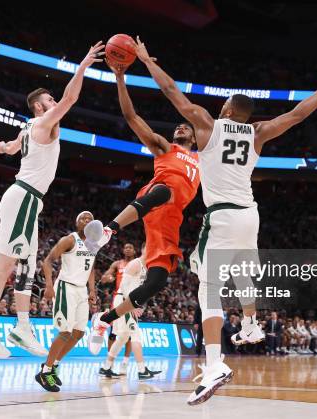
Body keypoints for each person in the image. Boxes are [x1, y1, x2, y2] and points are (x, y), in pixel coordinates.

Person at [124, 37, 317, 404]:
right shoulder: (259, 133)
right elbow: (297, 115)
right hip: (251, 214)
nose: (221, 105)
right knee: (243, 272)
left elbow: (170, 90)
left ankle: (215, 363)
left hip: (223, 215)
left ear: (229, 111)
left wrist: (145, 60)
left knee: (207, 287)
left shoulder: (208, 125)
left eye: (225, 103)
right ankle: (250, 324)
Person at [0, 42, 104, 358]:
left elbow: (15, 147)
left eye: (53, 98)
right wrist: (83, 64)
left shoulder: (29, 126)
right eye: (50, 100)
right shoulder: (44, 123)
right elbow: (71, 97)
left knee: (27, 266)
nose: (55, 101)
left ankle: (22, 326)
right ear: (41, 108)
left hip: (28, 201)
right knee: (6, 263)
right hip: (23, 198)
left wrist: (4, 148)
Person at [86, 60, 200, 356]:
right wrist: (121, 79)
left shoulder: (202, 161)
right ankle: (109, 231)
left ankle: (103, 320)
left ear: (195, 138)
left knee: (156, 283)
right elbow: (130, 115)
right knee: (164, 190)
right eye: (178, 126)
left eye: (185, 127)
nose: (180, 127)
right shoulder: (165, 147)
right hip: (155, 198)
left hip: (170, 222)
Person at [35, 211, 99, 392]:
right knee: (65, 332)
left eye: (90, 219)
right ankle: (44, 372)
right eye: (83, 218)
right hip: (66, 288)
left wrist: (92, 289)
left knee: (78, 334)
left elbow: (92, 268)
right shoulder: (69, 240)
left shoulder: (93, 245)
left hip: (82, 291)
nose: (87, 220)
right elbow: (47, 262)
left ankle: (53, 366)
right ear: (77, 223)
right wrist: (48, 286)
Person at [99, 243, 161, 380]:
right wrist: (132, 305)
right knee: (135, 334)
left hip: (130, 301)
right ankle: (142, 370)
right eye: (149, 248)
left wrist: (139, 304)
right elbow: (124, 286)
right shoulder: (135, 264)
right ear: (143, 249)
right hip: (124, 301)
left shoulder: (147, 267)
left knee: (122, 338)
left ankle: (106, 367)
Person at [101, 242, 136, 373]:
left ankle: (125, 363)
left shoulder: (137, 264)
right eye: (126, 247)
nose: (127, 249)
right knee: (113, 333)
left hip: (132, 299)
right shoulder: (117, 264)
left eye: (130, 247)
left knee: (129, 333)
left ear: (134, 251)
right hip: (118, 298)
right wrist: (108, 277)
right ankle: (109, 363)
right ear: (123, 250)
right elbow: (105, 277)